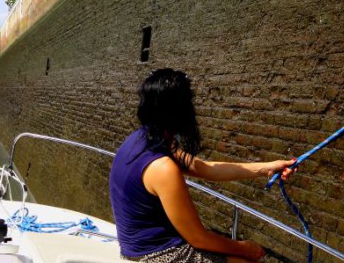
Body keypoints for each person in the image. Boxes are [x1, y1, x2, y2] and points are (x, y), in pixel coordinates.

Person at [109, 68, 296, 263]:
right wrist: (245, 248)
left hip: (133, 250)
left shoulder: (140, 140)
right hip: (155, 256)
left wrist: (267, 167)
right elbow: (199, 239)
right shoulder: (163, 168)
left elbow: (207, 169)